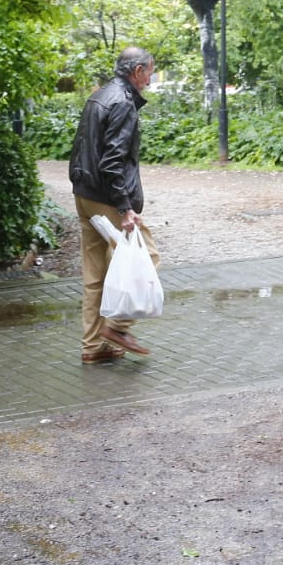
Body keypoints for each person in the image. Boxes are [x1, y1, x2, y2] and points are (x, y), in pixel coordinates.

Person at [69, 46, 162, 364]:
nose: (150, 78)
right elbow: (113, 162)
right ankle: (118, 328)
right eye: (149, 71)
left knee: (95, 275)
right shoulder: (122, 102)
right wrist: (126, 208)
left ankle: (93, 347)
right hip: (106, 198)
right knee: (146, 256)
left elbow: (84, 147)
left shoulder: (100, 95)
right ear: (137, 71)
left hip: (84, 195)